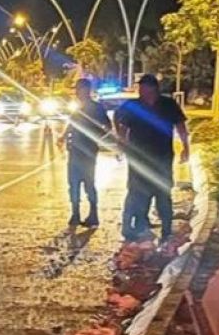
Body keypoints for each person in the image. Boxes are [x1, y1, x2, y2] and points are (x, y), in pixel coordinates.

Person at [115, 74, 190, 241]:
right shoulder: (133, 106)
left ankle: (166, 230)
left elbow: (180, 125)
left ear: (154, 88)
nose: (141, 91)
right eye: (139, 88)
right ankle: (135, 227)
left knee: (163, 192)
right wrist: (121, 142)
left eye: (144, 88)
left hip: (162, 157)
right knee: (137, 192)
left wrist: (186, 147)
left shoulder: (168, 104)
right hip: (138, 158)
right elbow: (120, 122)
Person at [59, 79, 112, 229]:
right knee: (73, 183)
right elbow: (72, 124)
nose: (77, 92)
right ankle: (75, 214)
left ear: (87, 90)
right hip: (74, 149)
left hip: (87, 151)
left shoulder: (96, 108)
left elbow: (107, 127)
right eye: (76, 89)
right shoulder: (77, 107)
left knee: (89, 183)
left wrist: (95, 137)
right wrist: (63, 136)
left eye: (80, 89)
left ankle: (93, 214)